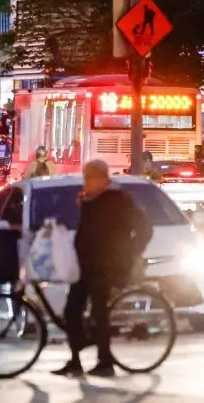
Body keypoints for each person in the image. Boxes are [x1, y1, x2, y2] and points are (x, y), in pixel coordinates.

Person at [55, 160, 154, 378]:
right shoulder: (89, 200)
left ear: (102, 179)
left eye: (89, 178)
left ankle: (105, 361)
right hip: (85, 265)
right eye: (85, 178)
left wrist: (130, 252)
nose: (85, 183)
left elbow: (145, 228)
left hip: (107, 265)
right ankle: (75, 359)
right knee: (72, 310)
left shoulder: (118, 200)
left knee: (99, 312)